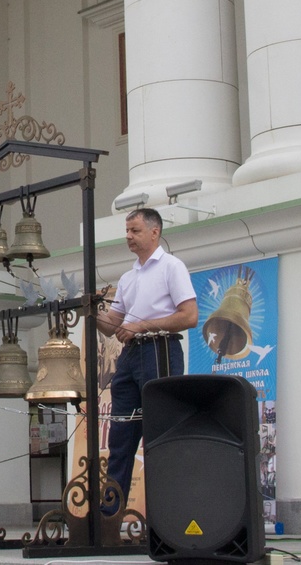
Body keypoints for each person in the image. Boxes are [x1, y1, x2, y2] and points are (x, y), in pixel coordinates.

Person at [96, 208, 198, 512]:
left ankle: (165, 515)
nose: (128, 236)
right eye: (127, 230)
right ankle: (111, 516)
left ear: (155, 232)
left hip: (159, 349)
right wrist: (90, 311)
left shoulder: (171, 267)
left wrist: (139, 325)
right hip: (131, 356)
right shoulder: (129, 277)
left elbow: (189, 316)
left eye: (135, 230)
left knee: (160, 432)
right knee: (120, 435)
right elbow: (114, 324)